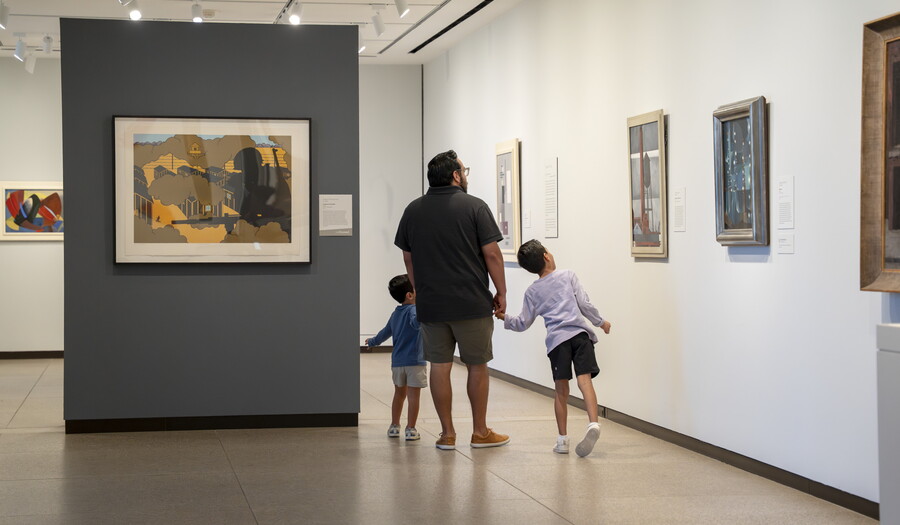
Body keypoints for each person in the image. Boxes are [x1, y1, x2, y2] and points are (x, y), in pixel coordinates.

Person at [394, 149, 510, 451]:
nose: (466, 175)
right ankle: (480, 432)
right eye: (464, 170)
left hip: (432, 305)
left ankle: (447, 434)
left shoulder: (413, 210)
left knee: (439, 366)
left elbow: (408, 256)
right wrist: (502, 291)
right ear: (456, 175)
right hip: (471, 303)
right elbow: (492, 254)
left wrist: (420, 290)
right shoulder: (474, 207)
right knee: (477, 366)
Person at [495, 240, 611, 457]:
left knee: (561, 391)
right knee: (584, 381)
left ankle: (562, 440)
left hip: (558, 342)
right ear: (547, 256)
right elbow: (585, 305)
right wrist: (601, 322)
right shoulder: (568, 276)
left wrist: (504, 318)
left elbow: (523, 323)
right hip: (580, 336)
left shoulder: (532, 292)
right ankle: (593, 423)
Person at [365, 274, 426, 442]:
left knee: (399, 394)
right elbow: (416, 323)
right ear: (410, 295)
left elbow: (385, 332)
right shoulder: (414, 310)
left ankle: (394, 426)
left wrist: (372, 341)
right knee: (414, 396)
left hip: (397, 363)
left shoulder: (396, 314)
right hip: (415, 361)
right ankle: (411, 429)